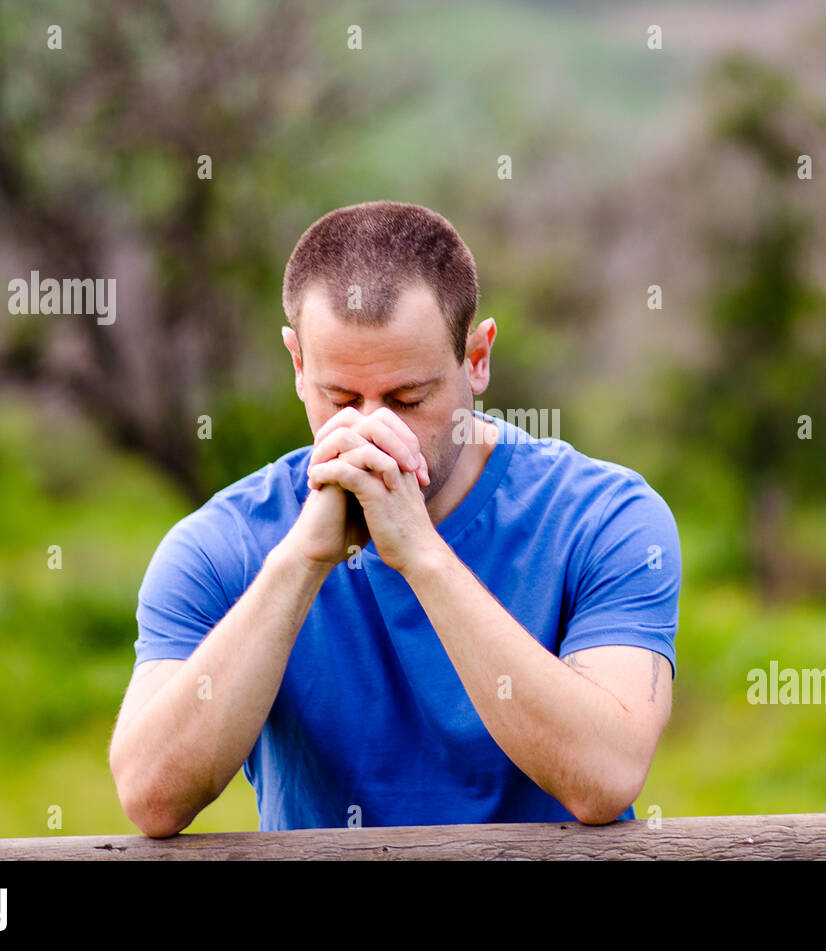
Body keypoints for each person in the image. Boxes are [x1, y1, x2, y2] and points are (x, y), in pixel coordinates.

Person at [108, 200, 681, 836]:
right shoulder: (222, 543)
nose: (373, 430)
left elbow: (604, 776)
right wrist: (300, 562)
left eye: (409, 399)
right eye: (341, 398)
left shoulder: (607, 518)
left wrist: (422, 556)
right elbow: (152, 796)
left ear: (477, 358)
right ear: (298, 365)